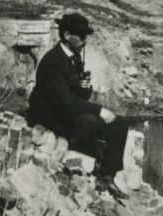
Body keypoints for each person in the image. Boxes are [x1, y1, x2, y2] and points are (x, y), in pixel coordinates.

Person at [25, 11, 130, 201]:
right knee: (89, 122)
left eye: (85, 36)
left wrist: (84, 87)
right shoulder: (52, 62)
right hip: (49, 115)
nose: (84, 41)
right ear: (66, 36)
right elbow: (65, 101)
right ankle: (90, 173)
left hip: (66, 110)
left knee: (121, 123)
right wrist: (99, 109)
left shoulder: (75, 56)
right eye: (81, 36)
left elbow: (80, 96)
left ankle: (107, 175)